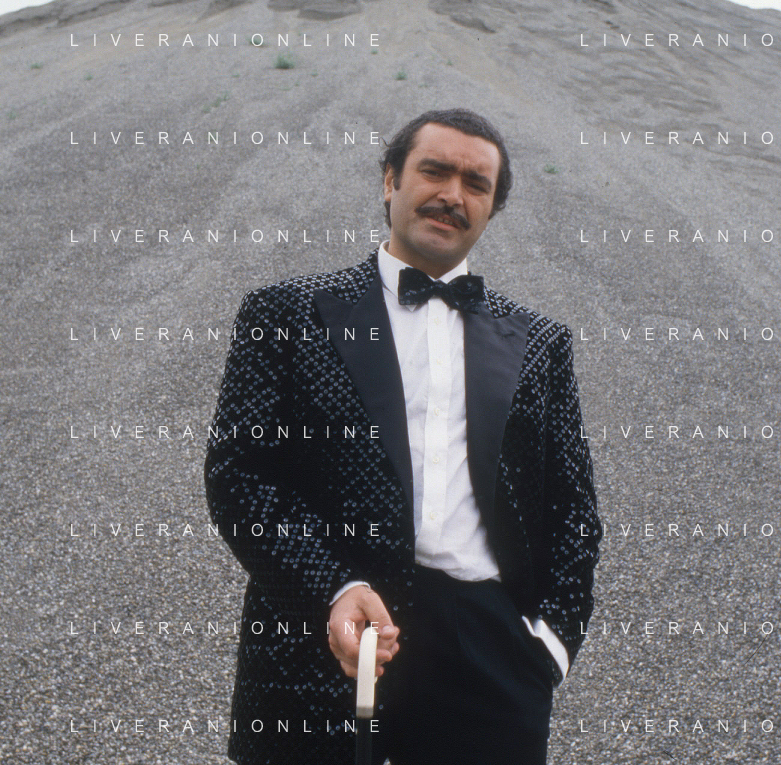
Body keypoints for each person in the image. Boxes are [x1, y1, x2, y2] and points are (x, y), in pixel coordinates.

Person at [205, 108, 601, 765]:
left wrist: (548, 647)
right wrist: (330, 587)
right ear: (390, 180)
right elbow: (239, 478)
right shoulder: (286, 312)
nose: (452, 194)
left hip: (490, 656)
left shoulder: (540, 344)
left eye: (475, 183)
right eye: (434, 171)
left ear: (492, 207)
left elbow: (574, 511)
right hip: (323, 634)